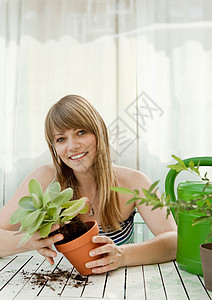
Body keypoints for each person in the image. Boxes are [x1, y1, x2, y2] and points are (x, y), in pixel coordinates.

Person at [0, 95, 177, 274]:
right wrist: (29, 241)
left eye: (81, 132)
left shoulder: (134, 182)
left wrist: (122, 255)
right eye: (61, 139)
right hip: (59, 286)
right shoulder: (45, 178)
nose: (73, 146)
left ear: (99, 132)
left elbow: (175, 241)